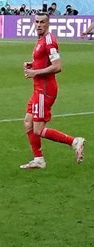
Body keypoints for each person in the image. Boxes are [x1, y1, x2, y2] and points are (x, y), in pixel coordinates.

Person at [20, 13, 85, 169]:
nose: (39, 25)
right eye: (36, 22)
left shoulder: (49, 41)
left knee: (38, 129)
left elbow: (57, 66)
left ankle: (75, 141)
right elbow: (45, 61)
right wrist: (33, 64)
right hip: (38, 88)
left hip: (44, 89)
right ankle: (38, 159)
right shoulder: (41, 40)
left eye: (42, 22)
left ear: (48, 24)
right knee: (28, 122)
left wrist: (35, 72)